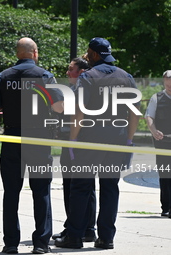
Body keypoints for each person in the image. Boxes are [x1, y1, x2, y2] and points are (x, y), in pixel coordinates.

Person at [55, 37, 140, 249]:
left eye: (88, 52)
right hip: (117, 141)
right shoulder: (126, 77)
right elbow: (134, 113)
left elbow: (79, 111)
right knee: (110, 187)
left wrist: (73, 140)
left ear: (93, 54)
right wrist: (129, 140)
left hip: (90, 141)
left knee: (81, 187)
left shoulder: (88, 77)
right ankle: (106, 238)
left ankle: (74, 236)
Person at [0, 37, 64, 254]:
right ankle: (40, 244)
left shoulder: (3, 77)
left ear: (17, 53)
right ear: (35, 53)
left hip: (12, 138)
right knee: (41, 191)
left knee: (11, 192)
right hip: (38, 139)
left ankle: (11, 244)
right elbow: (58, 107)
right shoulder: (45, 76)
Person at [52, 57, 97, 242]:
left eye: (71, 69)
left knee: (73, 187)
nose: (67, 72)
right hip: (79, 143)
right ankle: (84, 228)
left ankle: (77, 228)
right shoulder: (79, 89)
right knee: (86, 187)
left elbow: (60, 109)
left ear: (81, 72)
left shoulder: (79, 90)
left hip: (75, 143)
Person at [145, 70, 171, 217]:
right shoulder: (157, 98)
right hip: (162, 142)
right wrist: (154, 131)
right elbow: (149, 117)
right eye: (167, 85)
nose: (170, 87)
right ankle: (165, 207)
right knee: (165, 174)